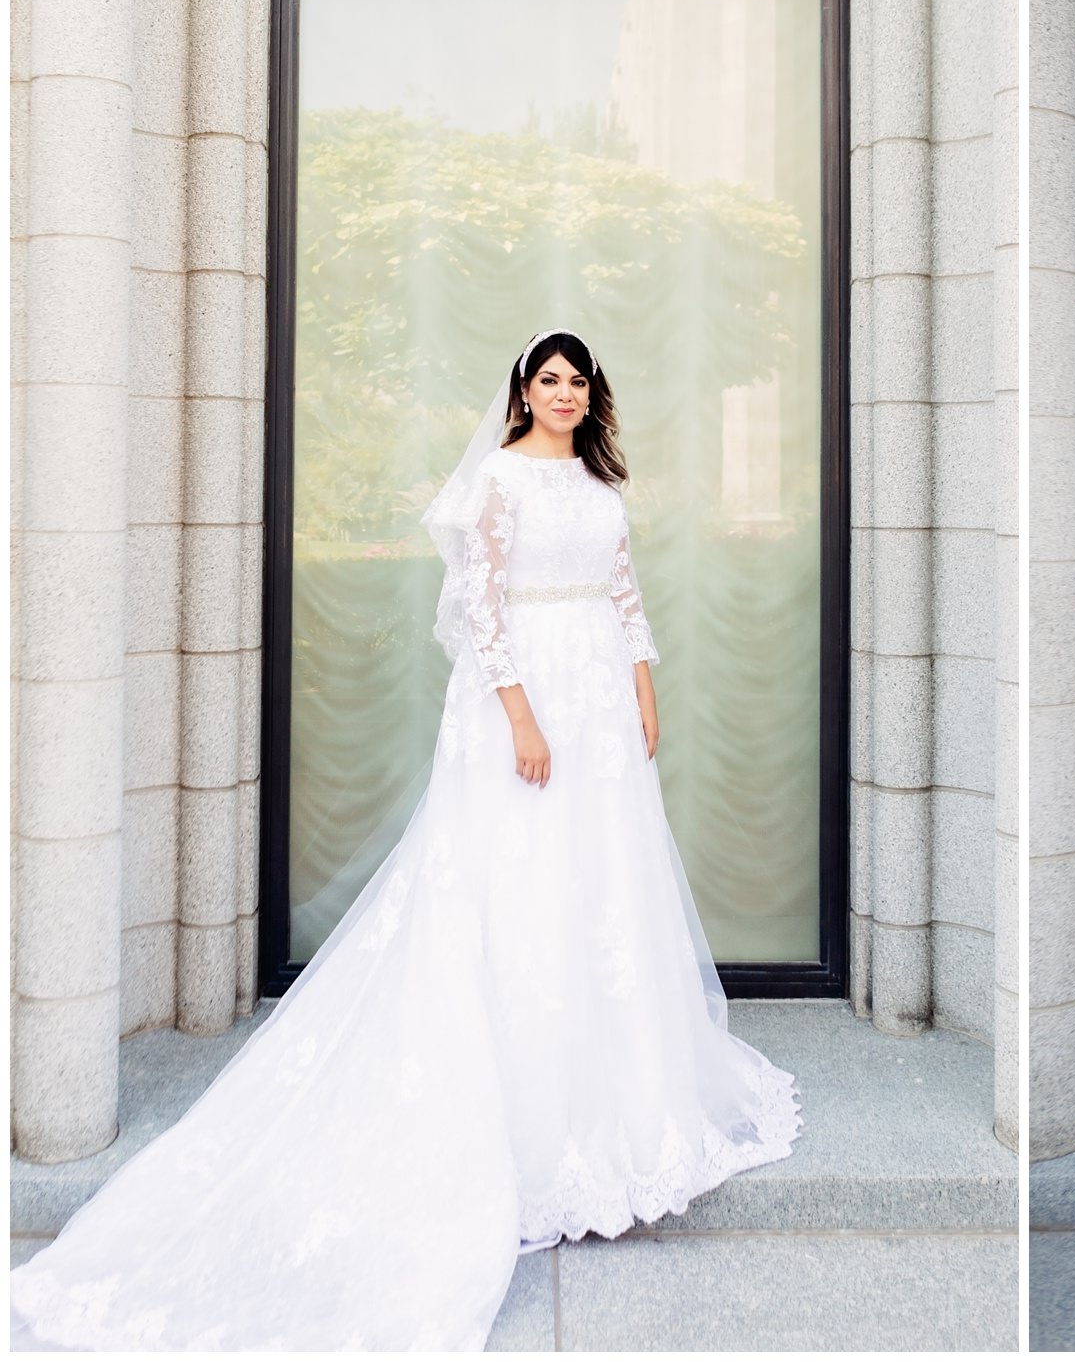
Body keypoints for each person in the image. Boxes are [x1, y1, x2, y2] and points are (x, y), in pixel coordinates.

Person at [11, 329, 803, 1349]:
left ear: (591, 395)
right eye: (546, 379)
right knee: (512, 874)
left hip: (601, 688)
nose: (562, 393)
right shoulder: (497, 482)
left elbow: (622, 590)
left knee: (597, 881)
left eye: (577, 381)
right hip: (527, 691)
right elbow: (478, 607)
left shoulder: (603, 482)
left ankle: (608, 1080)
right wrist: (519, 713)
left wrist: (644, 688)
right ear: (521, 390)